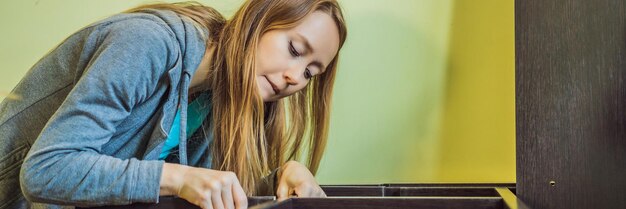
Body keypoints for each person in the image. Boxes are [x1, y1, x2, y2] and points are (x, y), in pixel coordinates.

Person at [0, 0, 347, 208]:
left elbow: (209, 188)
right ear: (259, 21)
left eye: (310, 72)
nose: (295, 78)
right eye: (295, 50)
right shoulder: (145, 43)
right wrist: (177, 178)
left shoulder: (220, 96)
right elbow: (46, 170)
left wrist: (281, 179)